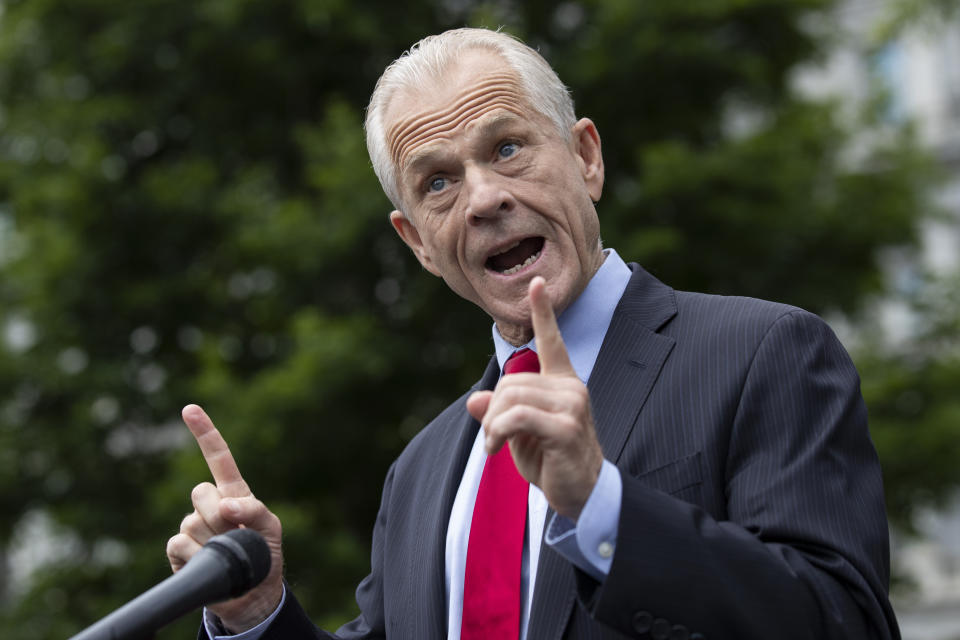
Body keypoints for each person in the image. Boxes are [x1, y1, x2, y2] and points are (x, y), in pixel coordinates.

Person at [165, 27, 901, 639]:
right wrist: (255, 613)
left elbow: (844, 621)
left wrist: (603, 508)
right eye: (438, 183)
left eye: (508, 148)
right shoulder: (418, 473)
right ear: (418, 243)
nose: (484, 197)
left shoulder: (764, 354)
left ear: (586, 157)